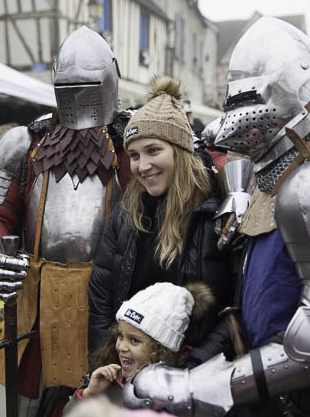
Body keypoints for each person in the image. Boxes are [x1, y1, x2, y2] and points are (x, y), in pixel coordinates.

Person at [122, 17, 310, 417]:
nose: (236, 116)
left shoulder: (304, 187)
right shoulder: (257, 186)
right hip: (258, 386)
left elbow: (307, 345)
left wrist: (195, 383)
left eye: (247, 100)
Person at [0, 26, 131, 417]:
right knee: (23, 399)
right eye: (70, 88)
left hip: (102, 303)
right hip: (34, 300)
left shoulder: (128, 147)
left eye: (88, 87)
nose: (79, 100)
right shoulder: (27, 144)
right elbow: (2, 215)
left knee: (90, 397)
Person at [88, 76, 233, 370]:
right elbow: (102, 295)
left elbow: (234, 308)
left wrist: (191, 369)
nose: (142, 166)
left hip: (197, 376)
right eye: (134, 155)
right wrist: (110, 360)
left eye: (154, 150)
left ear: (180, 150)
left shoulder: (218, 212)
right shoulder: (126, 214)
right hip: (128, 370)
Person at [64, 281, 214, 414]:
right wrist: (90, 394)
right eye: (120, 336)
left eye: (134, 340)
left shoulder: (176, 395)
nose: (122, 346)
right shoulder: (108, 381)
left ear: (161, 350)